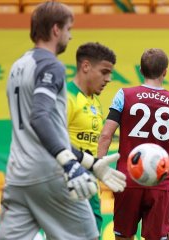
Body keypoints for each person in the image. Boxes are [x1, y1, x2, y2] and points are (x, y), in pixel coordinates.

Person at [0, 3, 125, 240]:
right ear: (56, 29)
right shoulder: (50, 65)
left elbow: (46, 131)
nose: (70, 35)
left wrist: (89, 161)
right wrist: (69, 164)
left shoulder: (18, 66)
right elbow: (40, 117)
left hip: (17, 176)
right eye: (69, 28)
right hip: (50, 174)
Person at [97, 48, 169, 240]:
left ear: (140, 69)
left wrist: (99, 168)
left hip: (127, 178)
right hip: (159, 180)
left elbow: (106, 136)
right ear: (165, 71)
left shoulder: (124, 94)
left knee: (123, 236)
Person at [67, 42, 117, 233]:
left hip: (91, 183)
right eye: (104, 72)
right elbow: (53, 142)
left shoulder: (94, 101)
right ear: (86, 66)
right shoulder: (66, 97)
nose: (109, 79)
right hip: (69, 182)